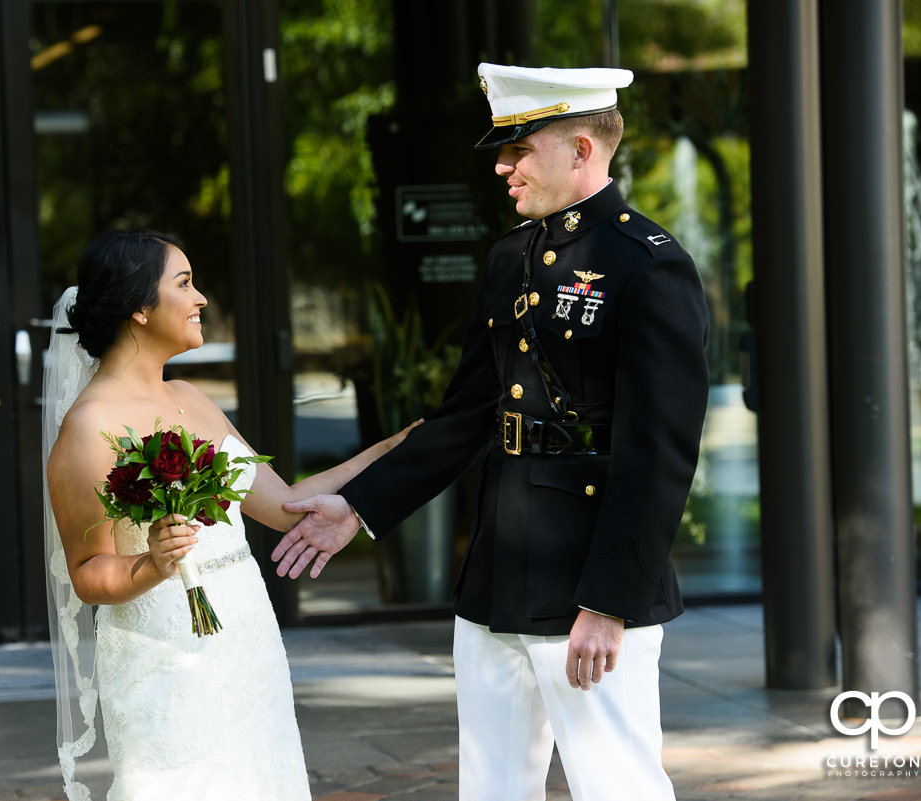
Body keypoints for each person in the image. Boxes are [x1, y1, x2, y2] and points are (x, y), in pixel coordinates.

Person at [271, 64, 710, 801]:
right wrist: (359, 505)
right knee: (492, 787)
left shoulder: (649, 265)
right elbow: (468, 414)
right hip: (498, 577)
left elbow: (658, 455)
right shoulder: (512, 258)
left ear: (581, 148)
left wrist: (610, 601)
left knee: (617, 785)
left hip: (589, 584)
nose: (503, 166)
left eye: (520, 147)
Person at [42, 230, 413, 801]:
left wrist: (396, 450)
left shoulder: (191, 396)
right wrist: (151, 566)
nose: (202, 299)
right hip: (165, 657)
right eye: (185, 283)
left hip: (246, 636)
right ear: (138, 308)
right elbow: (89, 571)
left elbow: (288, 507)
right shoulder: (89, 428)